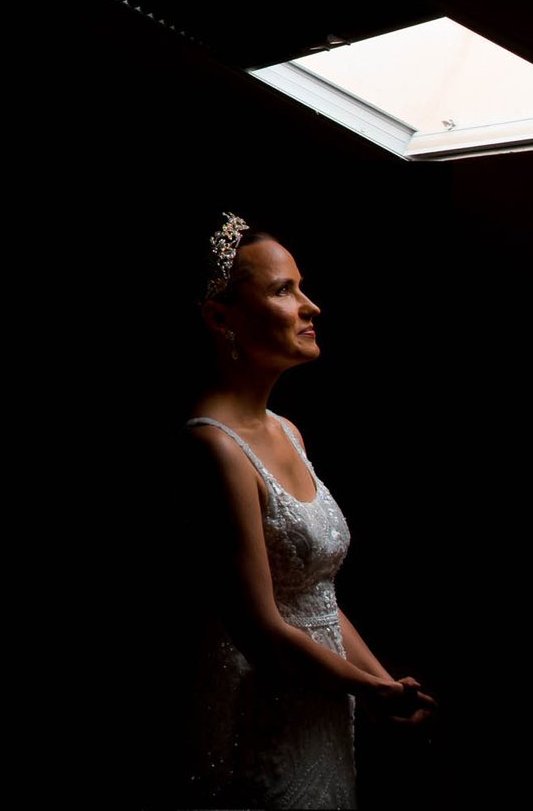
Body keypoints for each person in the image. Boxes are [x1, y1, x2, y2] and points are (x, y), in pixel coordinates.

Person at [180, 213, 433, 808]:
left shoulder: (288, 432)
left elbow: (314, 596)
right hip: (259, 709)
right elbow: (261, 629)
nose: (310, 306)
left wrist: (383, 682)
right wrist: (367, 690)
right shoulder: (212, 446)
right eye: (282, 290)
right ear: (221, 318)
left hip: (320, 698)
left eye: (302, 286)